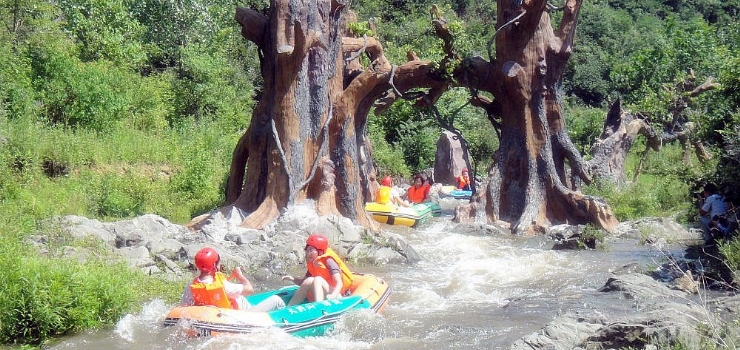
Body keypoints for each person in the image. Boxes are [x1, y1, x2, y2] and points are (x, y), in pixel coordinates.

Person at [181, 247, 285, 311]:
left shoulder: (191, 287)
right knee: (277, 300)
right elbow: (250, 290)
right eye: (218, 262)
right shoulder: (224, 286)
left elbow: (185, 308)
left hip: (217, 319)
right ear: (215, 265)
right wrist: (240, 276)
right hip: (242, 319)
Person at [282, 234, 355, 306]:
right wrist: (292, 279)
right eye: (307, 250)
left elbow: (339, 283)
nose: (308, 253)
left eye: (311, 250)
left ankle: (319, 307)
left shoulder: (329, 261)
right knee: (309, 280)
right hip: (326, 294)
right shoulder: (313, 263)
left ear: (320, 252)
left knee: (318, 279)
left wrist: (333, 295)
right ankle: (289, 307)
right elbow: (304, 283)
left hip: (339, 295)